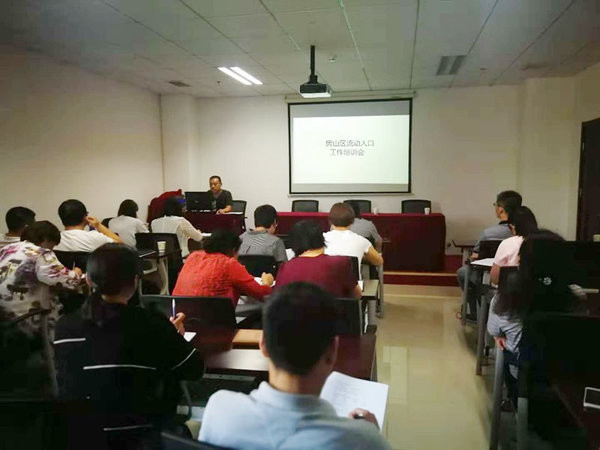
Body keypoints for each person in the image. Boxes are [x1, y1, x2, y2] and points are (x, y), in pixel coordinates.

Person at [199, 282, 391, 450]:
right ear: (333, 350)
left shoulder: (219, 409)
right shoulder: (363, 441)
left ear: (263, 344)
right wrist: (366, 432)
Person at [54, 244, 204, 442]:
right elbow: (194, 370)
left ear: (88, 280)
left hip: (80, 436)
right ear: (135, 281)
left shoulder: (64, 326)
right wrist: (174, 336)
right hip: (144, 438)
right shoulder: (153, 324)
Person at [487, 230, 580, 408]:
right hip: (571, 383)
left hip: (525, 381)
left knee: (502, 349)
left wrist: (501, 335)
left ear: (522, 261)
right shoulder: (576, 297)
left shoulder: (505, 298)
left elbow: (494, 331)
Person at [0, 221, 82, 335]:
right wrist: (76, 272)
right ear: (45, 239)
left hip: (4, 316)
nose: (52, 250)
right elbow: (70, 282)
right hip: (26, 317)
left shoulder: (6, 249)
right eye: (52, 246)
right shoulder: (41, 254)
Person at [456, 190, 522, 320]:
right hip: (519, 275)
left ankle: (475, 313)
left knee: (462, 272)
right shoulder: (525, 232)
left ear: (501, 209)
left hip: (490, 276)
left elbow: (475, 256)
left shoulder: (489, 233)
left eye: (495, 205)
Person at [173, 229, 273, 307]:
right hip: (216, 322)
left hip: (180, 318)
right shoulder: (229, 264)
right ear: (233, 250)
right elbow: (261, 294)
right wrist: (267, 283)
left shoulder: (193, 257)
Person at [276, 220, 361, 299]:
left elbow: (277, 298)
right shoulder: (340, 263)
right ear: (322, 239)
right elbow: (357, 295)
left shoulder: (285, 267)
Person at [324, 203, 383, 274]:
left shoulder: (321, 239)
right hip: (353, 281)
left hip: (326, 280)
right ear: (352, 221)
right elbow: (379, 261)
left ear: (330, 220)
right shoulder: (362, 241)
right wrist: (362, 256)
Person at [490, 206, 538, 285]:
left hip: (513, 290)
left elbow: (495, 279)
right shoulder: (545, 241)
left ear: (513, 226)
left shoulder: (507, 243)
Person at [54, 199, 122, 252]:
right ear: (85, 217)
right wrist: (99, 225)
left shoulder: (54, 239)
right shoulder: (94, 237)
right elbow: (121, 245)